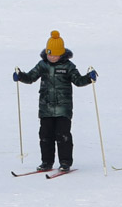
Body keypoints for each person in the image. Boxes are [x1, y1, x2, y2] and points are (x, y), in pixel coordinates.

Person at [13, 31, 97, 172]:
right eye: (49, 54)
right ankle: (46, 162)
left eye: (54, 55)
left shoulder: (68, 66)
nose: (51, 57)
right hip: (46, 108)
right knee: (45, 136)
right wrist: (20, 76)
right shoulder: (42, 65)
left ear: (61, 54)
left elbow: (78, 81)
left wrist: (89, 78)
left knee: (63, 135)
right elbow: (31, 77)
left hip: (63, 108)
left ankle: (65, 162)